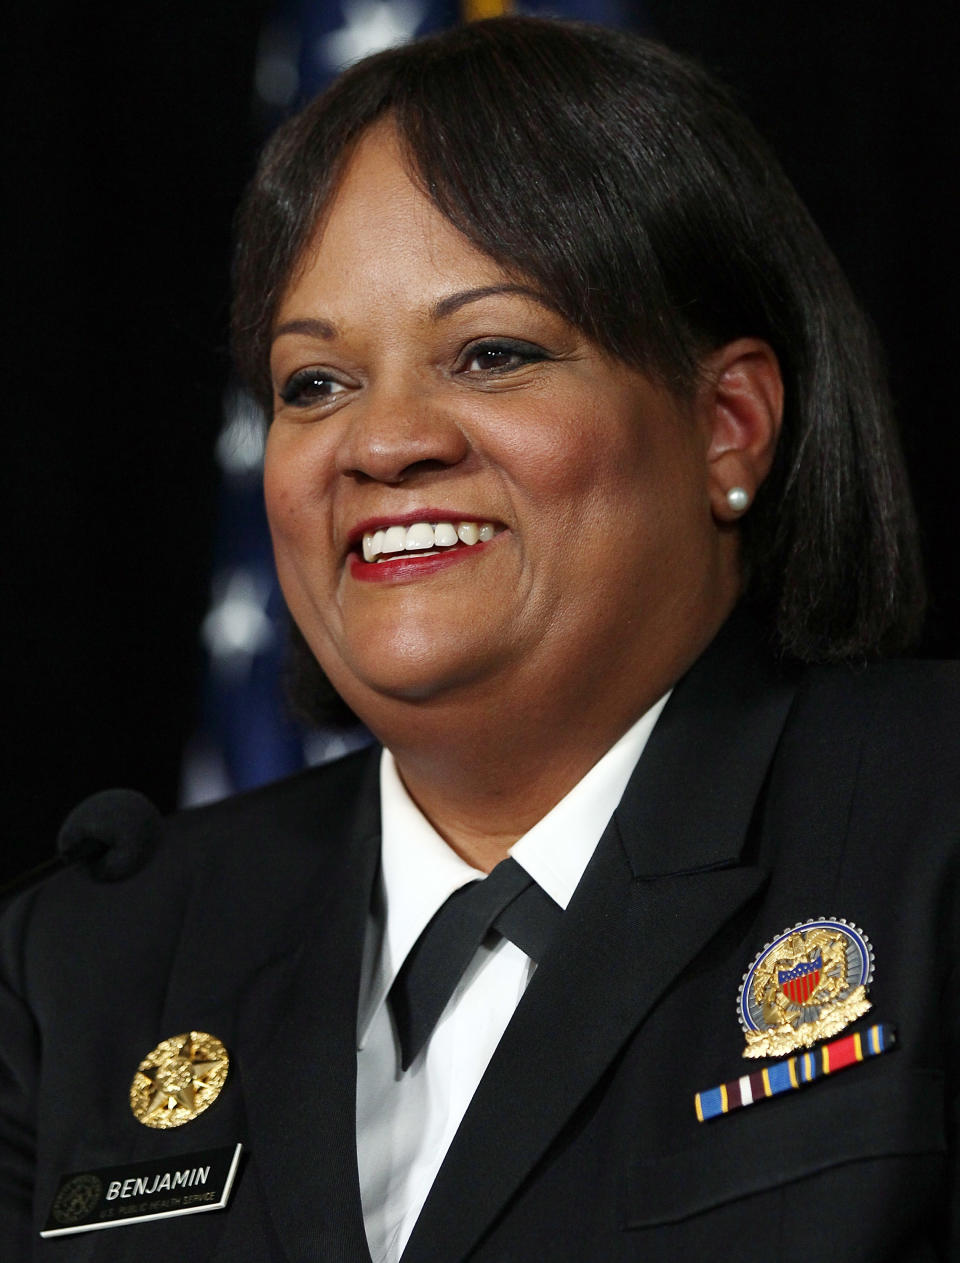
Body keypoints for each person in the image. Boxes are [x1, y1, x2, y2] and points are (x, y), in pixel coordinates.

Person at [2, 16, 957, 1262]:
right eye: (315, 383)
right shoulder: (86, 963)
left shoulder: (930, 824)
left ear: (728, 426)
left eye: (492, 354)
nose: (384, 441)